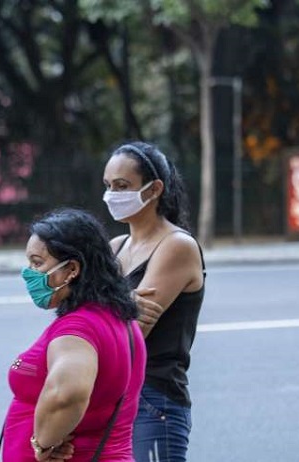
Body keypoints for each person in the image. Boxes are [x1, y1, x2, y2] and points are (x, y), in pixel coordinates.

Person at [2, 208, 147, 462]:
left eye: (37, 263)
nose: (28, 273)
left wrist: (42, 443)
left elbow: (67, 393)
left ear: (71, 269)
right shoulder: (119, 318)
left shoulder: (78, 329)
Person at [101, 142, 206, 462]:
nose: (111, 196)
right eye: (107, 186)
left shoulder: (176, 246)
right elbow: (85, 319)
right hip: (113, 394)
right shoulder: (117, 246)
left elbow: (132, 335)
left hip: (153, 399)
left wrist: (106, 305)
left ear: (155, 189)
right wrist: (120, 304)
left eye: (122, 186)